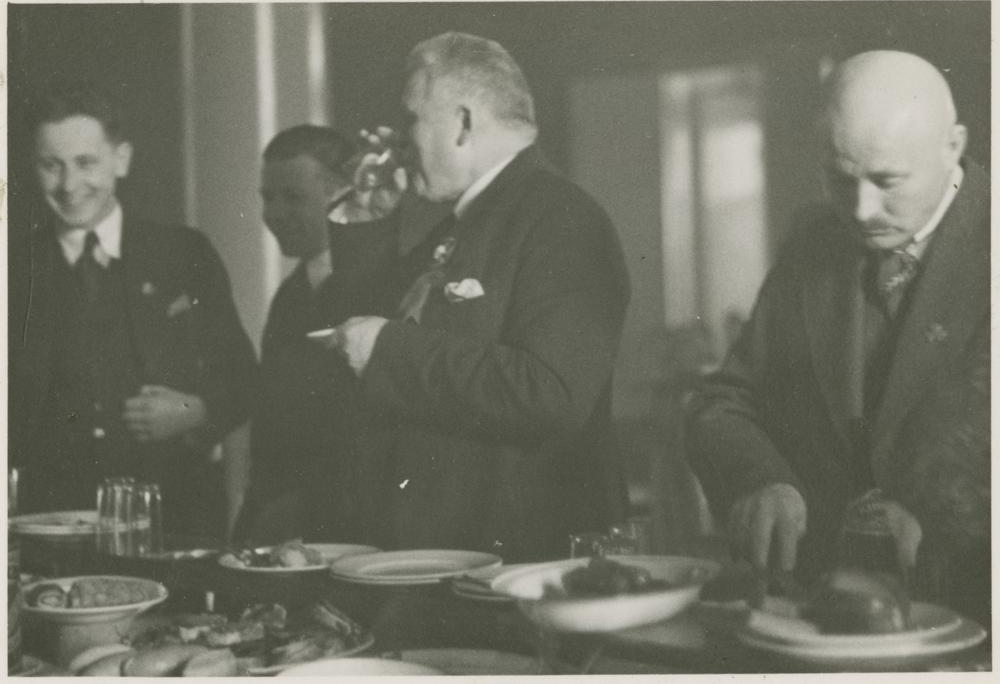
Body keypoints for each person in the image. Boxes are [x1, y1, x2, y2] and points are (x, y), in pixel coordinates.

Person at [686, 51, 988, 622]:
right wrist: (762, 480)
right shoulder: (814, 238)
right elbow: (724, 400)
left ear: (954, 145)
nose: (862, 210)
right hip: (820, 609)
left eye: (887, 181)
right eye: (840, 179)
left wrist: (945, 519)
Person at [325, 31, 632, 562]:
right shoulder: (472, 221)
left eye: (411, 119)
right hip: (456, 551)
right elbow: (366, 338)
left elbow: (552, 393)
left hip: (524, 559)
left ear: (463, 123)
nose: (400, 142)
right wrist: (369, 217)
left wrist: (388, 349)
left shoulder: (561, 218)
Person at [9, 82, 257, 540]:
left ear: (121, 160)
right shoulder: (13, 270)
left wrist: (196, 409)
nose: (69, 185)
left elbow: (243, 378)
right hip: (50, 526)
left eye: (86, 163)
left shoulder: (183, 253)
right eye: (51, 165)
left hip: (174, 519)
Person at [239, 125, 398, 543]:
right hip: (291, 528)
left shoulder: (383, 288)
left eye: (293, 198)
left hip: (360, 527)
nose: (274, 214)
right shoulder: (289, 297)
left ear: (342, 195)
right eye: (268, 198)